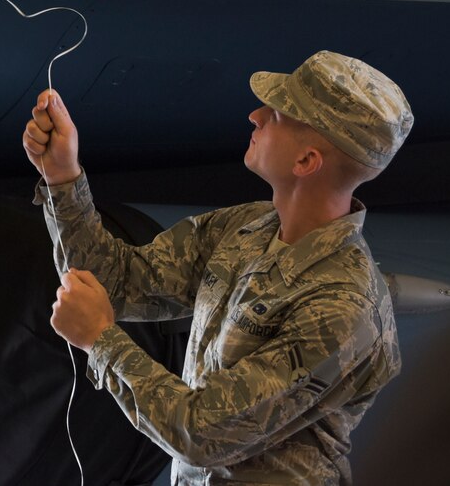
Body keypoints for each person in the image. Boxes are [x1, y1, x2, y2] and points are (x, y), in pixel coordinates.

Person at [23, 51, 412, 484]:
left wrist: (102, 341)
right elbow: (113, 283)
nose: (256, 115)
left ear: (306, 162)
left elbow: (205, 433)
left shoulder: (343, 306)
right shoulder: (245, 229)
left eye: (278, 114)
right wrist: (63, 176)